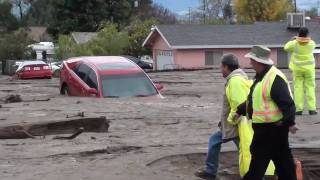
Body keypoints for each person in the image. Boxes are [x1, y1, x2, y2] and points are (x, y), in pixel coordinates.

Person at [236, 46, 298, 180]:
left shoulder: (274, 79)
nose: (250, 63)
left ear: (259, 62)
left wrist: (288, 122)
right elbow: (253, 100)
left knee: (257, 168)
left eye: (252, 60)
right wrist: (239, 110)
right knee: (284, 166)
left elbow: (288, 104)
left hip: (271, 130)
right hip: (267, 130)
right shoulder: (261, 77)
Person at [195, 54, 249, 180]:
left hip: (236, 125)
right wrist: (223, 122)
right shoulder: (237, 79)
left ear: (226, 67)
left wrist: (232, 120)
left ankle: (257, 174)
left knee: (245, 151)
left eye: (221, 67)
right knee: (215, 141)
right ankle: (210, 171)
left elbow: (239, 105)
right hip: (231, 124)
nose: (220, 70)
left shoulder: (235, 81)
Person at [284, 27, 317, 115]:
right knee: (310, 88)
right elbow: (312, 43)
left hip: (297, 69)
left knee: (298, 88)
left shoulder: (294, 43)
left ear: (298, 34)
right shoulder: (311, 43)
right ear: (307, 34)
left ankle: (298, 109)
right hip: (309, 70)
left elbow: (286, 47)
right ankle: (312, 109)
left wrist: (292, 40)